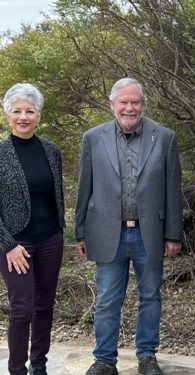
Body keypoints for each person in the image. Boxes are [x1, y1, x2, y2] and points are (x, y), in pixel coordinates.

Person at [75, 78, 183, 375]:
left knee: (150, 296)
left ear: (143, 104)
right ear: (112, 105)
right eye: (123, 102)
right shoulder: (93, 138)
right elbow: (85, 188)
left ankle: (147, 356)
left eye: (135, 102)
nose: (129, 107)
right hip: (107, 231)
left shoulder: (164, 138)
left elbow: (173, 189)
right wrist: (80, 231)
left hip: (150, 232)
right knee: (108, 297)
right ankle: (104, 360)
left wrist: (173, 233)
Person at [0, 83, 65, 375]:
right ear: (7, 115)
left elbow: (57, 195)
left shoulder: (51, 151)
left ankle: (39, 364)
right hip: (15, 244)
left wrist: (62, 231)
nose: (23, 116)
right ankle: (17, 369)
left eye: (30, 111)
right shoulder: (1, 153)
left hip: (50, 238)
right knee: (22, 308)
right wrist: (9, 244)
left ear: (39, 115)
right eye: (17, 111)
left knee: (44, 305)